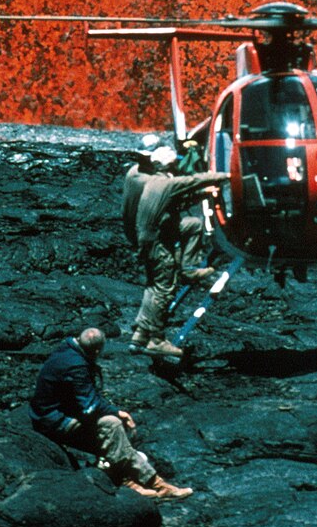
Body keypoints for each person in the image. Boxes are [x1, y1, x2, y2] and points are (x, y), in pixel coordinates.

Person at [29, 327, 192, 499]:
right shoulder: (76, 366)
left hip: (52, 412)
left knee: (113, 435)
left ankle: (128, 480)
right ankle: (157, 484)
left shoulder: (67, 348)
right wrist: (116, 412)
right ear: (97, 350)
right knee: (112, 425)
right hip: (53, 421)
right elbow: (89, 406)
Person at [124, 140, 228, 357]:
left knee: (153, 284)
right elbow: (192, 181)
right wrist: (226, 176)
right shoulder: (163, 183)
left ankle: (141, 333)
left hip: (146, 235)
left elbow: (176, 198)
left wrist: (202, 193)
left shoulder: (145, 179)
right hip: (156, 241)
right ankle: (157, 340)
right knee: (164, 287)